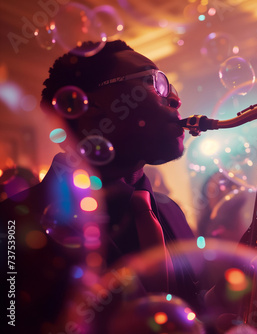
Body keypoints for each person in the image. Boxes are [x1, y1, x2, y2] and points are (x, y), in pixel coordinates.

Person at [0, 40, 199, 334]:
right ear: (90, 107)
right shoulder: (11, 225)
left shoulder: (171, 212)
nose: (175, 99)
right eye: (154, 81)